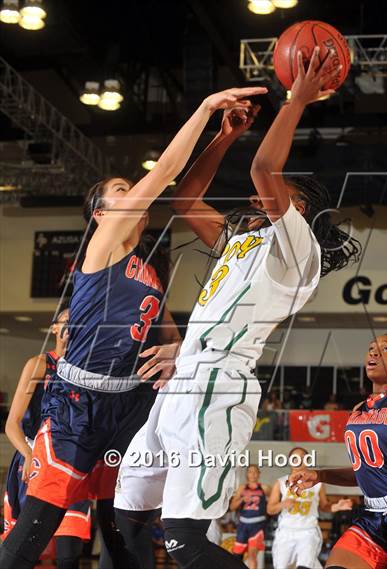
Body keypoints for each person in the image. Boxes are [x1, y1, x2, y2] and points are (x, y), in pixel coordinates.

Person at [114, 49, 361, 569]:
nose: (254, 199)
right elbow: (185, 201)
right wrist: (223, 136)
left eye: (269, 197)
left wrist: (295, 101)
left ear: (298, 210)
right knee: (128, 513)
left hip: (218, 388)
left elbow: (265, 167)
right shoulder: (240, 239)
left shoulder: (297, 251)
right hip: (183, 381)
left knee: (185, 539)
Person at [0, 86, 265, 569]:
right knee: (38, 522)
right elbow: (166, 174)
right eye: (122, 190)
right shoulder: (101, 246)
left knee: (127, 526)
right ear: (102, 215)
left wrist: (177, 351)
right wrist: (205, 109)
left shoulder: (148, 272)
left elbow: (175, 337)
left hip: (130, 403)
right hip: (78, 402)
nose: (133, 193)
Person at [289, 335, 387, 569]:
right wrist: (320, 475)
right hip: (373, 514)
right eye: (371, 348)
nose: (373, 353)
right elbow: (366, 472)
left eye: (385, 349)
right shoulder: (358, 410)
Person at [2, 309, 91, 569]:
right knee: (22, 550)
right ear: (54, 328)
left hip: (71, 460)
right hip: (34, 456)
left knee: (69, 553)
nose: (72, 327)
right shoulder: (40, 364)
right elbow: (11, 425)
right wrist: (30, 456)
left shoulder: (89, 371)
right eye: (66, 322)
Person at [268, 447, 352, 569]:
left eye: (302, 458)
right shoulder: (281, 482)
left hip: (308, 531)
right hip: (286, 531)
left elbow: (324, 506)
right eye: (295, 458)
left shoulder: (317, 483)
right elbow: (270, 509)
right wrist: (282, 504)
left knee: (305, 566)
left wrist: (336, 506)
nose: (299, 461)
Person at [230, 465, 271, 569]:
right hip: (243, 525)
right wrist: (242, 499)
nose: (253, 474)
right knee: (237, 556)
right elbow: (232, 507)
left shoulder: (265, 488)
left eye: (255, 472)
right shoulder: (242, 488)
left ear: (259, 474)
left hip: (258, 525)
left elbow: (273, 503)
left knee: (252, 556)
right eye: (250, 472)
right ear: (246, 474)